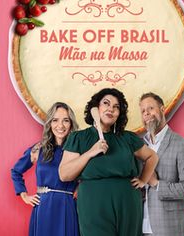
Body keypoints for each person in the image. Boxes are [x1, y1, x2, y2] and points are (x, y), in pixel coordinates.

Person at [59, 88, 159, 236]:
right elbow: (64, 174)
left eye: (116, 107)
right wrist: (91, 152)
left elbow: (152, 157)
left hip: (128, 202)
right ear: (96, 108)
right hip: (93, 203)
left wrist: (143, 180)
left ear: (119, 114)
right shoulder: (78, 138)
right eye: (106, 103)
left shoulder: (128, 138)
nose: (110, 109)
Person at [11, 102, 80, 236]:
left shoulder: (78, 150)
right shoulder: (39, 148)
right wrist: (24, 195)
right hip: (44, 207)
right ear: (49, 123)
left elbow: (92, 172)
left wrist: (80, 186)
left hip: (68, 205)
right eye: (55, 120)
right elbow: (16, 171)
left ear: (71, 123)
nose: (60, 125)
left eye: (65, 120)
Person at [138, 92, 184, 236]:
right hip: (140, 227)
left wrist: (156, 183)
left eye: (151, 108)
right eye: (143, 111)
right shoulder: (139, 147)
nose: (147, 113)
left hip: (170, 228)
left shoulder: (182, 145)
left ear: (162, 109)